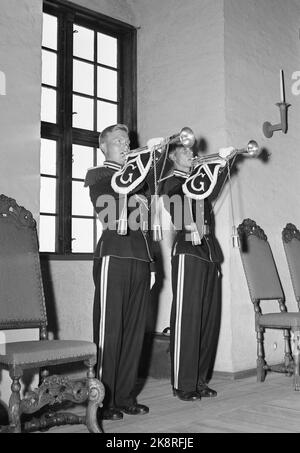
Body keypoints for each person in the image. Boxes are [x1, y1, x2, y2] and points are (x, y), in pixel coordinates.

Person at [84, 124, 160, 421]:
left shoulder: (138, 181)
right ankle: (103, 400)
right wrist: (134, 199)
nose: (125, 145)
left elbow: (144, 228)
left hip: (140, 258)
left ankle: (126, 396)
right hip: (113, 255)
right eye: (118, 141)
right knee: (109, 330)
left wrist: (152, 264)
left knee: (133, 331)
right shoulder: (99, 175)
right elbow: (109, 212)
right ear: (104, 147)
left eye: (127, 141)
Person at [160, 143, 232, 402]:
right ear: (172, 156)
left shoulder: (195, 181)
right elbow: (181, 211)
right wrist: (209, 169)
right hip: (188, 250)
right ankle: (183, 383)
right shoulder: (170, 182)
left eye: (192, 152)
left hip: (209, 252)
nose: (191, 155)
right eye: (185, 152)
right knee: (187, 318)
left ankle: (200, 379)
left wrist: (221, 166)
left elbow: (208, 191)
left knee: (207, 320)